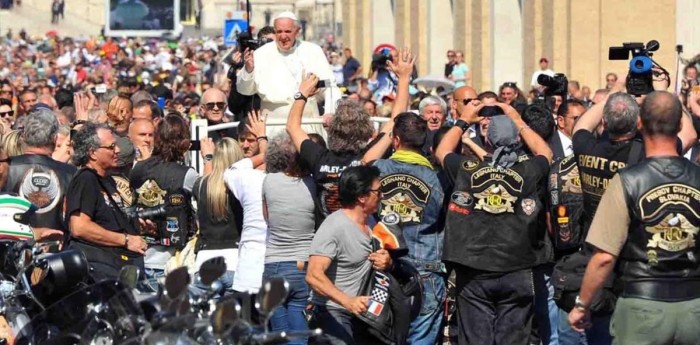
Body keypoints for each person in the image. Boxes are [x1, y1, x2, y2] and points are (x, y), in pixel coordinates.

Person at [568, 91, 700, 344]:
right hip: (693, 303)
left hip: (643, 304)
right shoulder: (696, 176)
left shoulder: (629, 180)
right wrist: (665, 93)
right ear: (680, 123)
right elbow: (690, 133)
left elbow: (605, 256)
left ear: (641, 123)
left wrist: (582, 305)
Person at [435, 101, 553, 344]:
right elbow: (546, 153)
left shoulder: (468, 168)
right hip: (517, 268)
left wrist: (463, 120)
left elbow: (442, 151)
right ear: (517, 140)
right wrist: (518, 121)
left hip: (475, 268)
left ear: (487, 141)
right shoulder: (527, 170)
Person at [366, 112, 446, 345]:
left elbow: (365, 161)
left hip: (384, 267)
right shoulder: (438, 178)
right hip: (426, 269)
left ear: (396, 141)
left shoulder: (377, 169)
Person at [305, 165, 393, 344]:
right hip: (333, 314)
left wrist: (388, 261)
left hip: (364, 316)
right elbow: (313, 275)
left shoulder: (372, 222)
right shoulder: (334, 226)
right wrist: (348, 301)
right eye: (378, 191)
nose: (382, 195)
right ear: (362, 197)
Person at [129, 114, 214, 291]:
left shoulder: (137, 169)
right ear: (184, 143)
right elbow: (210, 194)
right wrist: (208, 159)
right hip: (172, 262)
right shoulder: (185, 174)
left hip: (141, 259)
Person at [237, 11, 340, 139]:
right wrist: (249, 70)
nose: (283, 36)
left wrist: (330, 112)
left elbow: (330, 86)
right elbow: (244, 90)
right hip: (273, 126)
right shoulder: (261, 53)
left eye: (287, 31)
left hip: (308, 124)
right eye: (279, 32)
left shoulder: (313, 51)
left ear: (297, 31)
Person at [65, 123, 148, 281]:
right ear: (93, 153)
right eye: (111, 147)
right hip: (98, 273)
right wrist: (126, 240)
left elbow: (107, 220)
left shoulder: (107, 180)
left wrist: (136, 224)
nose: (117, 151)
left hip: (119, 269)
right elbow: (79, 227)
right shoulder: (86, 179)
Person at [287, 74, 374, 219]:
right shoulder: (368, 158)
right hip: (358, 234)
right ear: (365, 131)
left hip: (326, 234)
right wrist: (403, 78)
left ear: (331, 129)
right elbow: (393, 123)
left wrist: (302, 94)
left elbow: (292, 126)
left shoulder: (320, 158)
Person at [261, 134, 316, 344]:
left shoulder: (269, 181)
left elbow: (267, 217)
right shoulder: (312, 184)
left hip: (274, 262)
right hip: (302, 264)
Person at [3, 109, 76, 243]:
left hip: (11, 249)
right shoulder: (71, 173)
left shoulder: (5, 167)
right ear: (54, 139)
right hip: (56, 251)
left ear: (24, 136)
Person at [190, 138, 244, 298]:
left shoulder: (200, 185)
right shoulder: (242, 187)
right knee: (234, 320)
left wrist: (208, 158)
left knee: (206, 320)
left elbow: (210, 185)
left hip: (205, 261)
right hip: (235, 260)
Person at [223, 111, 268, 294]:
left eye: (251, 140)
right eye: (242, 140)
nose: (246, 145)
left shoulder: (246, 173)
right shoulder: (240, 171)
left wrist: (265, 154)